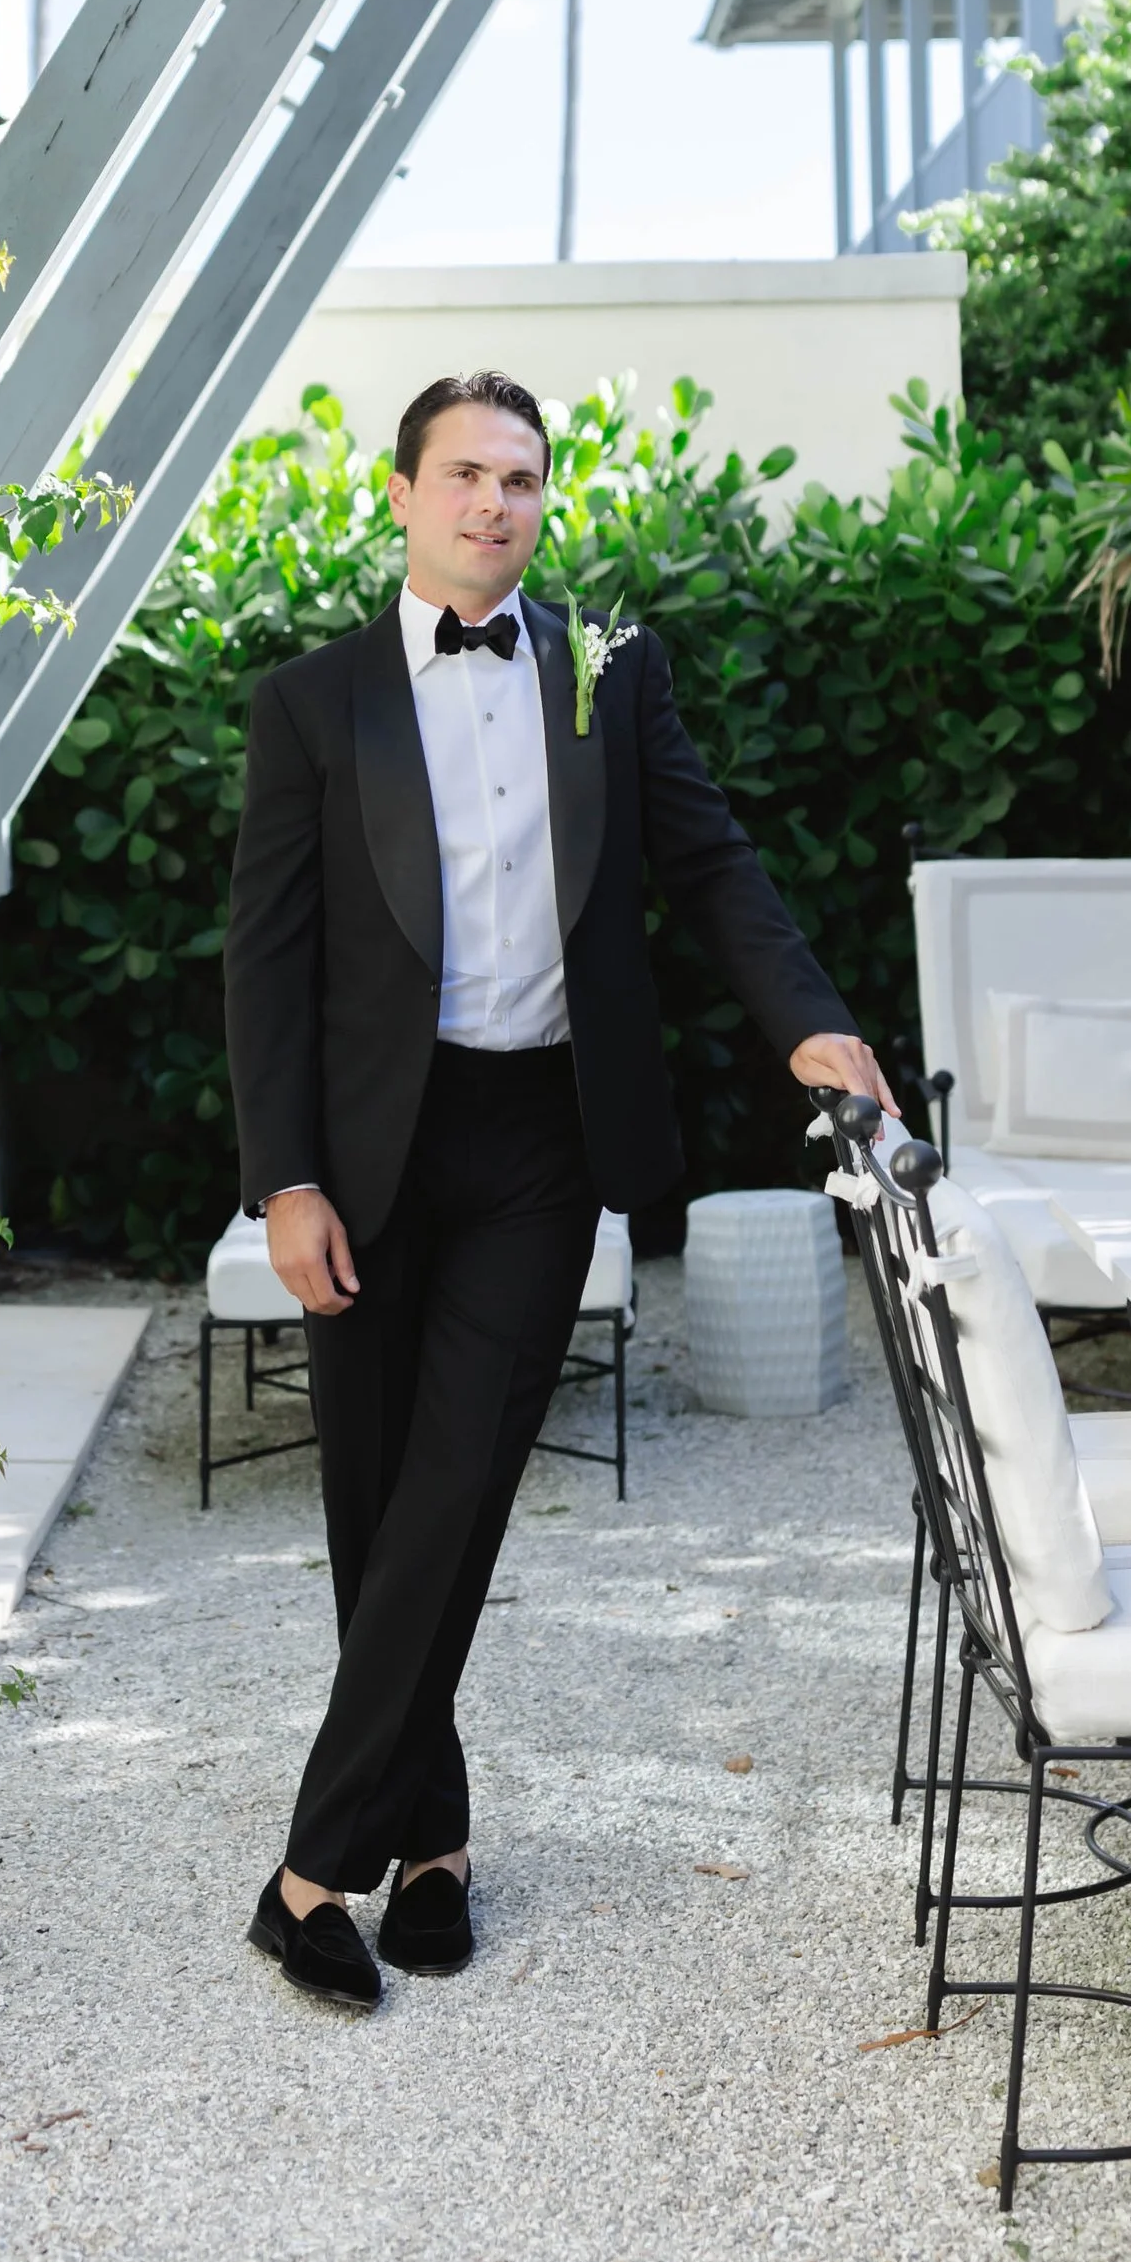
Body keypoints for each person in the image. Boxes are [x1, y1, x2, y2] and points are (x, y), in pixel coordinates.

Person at [224, 368, 899, 2007]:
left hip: (542, 1141)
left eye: (521, 478)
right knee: (377, 1512)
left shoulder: (609, 670)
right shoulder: (311, 703)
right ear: (401, 493)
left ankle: (312, 1870)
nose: (493, 505)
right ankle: (436, 1847)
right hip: (376, 1154)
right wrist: (285, 1179)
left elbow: (714, 861)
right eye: (463, 474)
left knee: (458, 1485)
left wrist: (812, 1020)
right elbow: (269, 957)